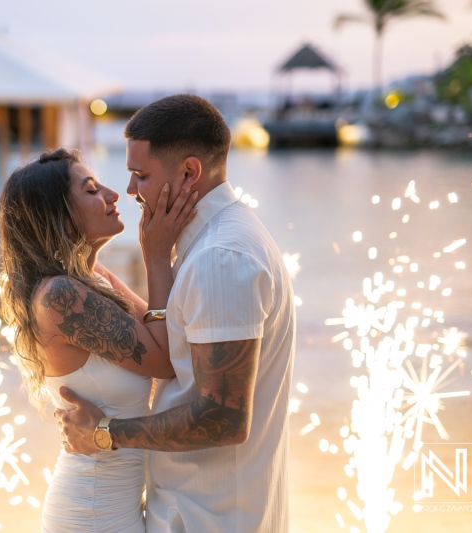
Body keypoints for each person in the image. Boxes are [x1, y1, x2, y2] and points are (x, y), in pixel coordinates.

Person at [56, 94, 296, 533]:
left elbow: (221, 418)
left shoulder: (220, 258)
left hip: (213, 516)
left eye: (140, 175)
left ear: (189, 172)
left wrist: (105, 432)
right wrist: (158, 261)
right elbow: (176, 358)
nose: (129, 191)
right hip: (200, 507)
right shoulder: (215, 244)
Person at [0, 147, 198, 532]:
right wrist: (155, 256)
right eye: (91, 191)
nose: (113, 194)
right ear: (57, 214)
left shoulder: (93, 279)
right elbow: (166, 360)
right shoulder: (60, 296)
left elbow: (168, 331)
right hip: (91, 512)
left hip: (115, 504)